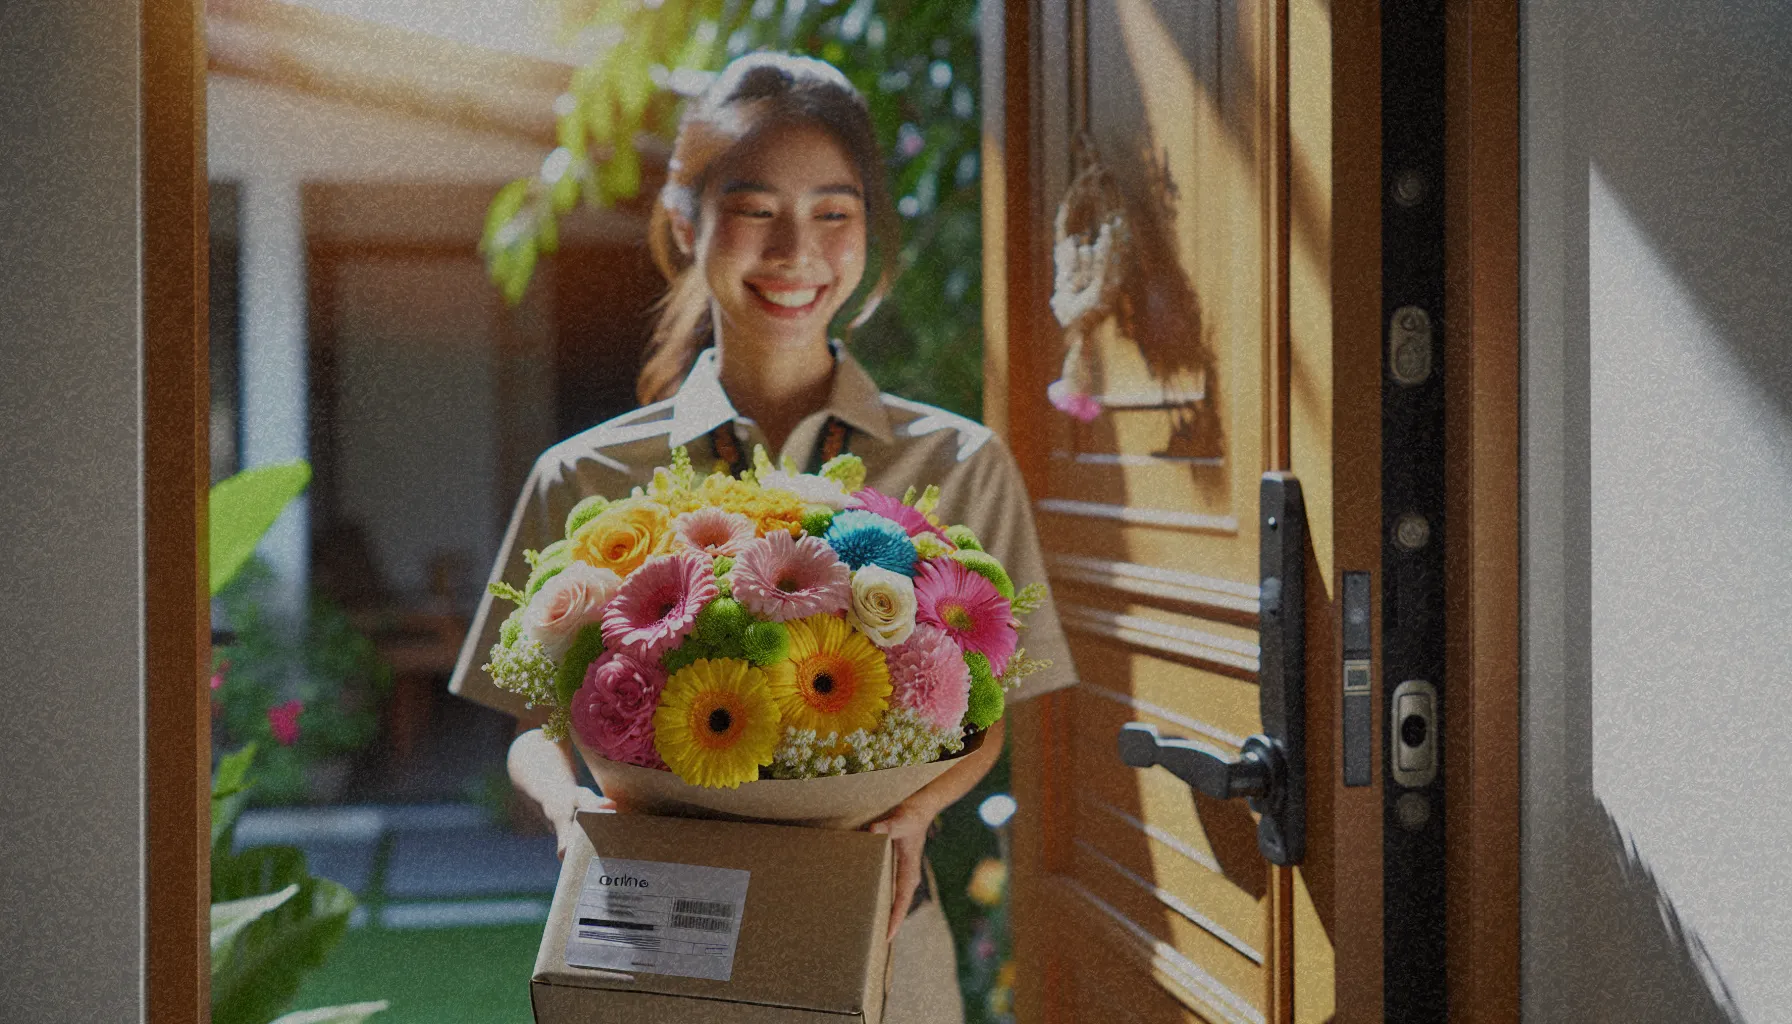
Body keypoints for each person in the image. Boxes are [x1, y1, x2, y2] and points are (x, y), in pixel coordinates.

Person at [448, 51, 1076, 1024]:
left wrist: (911, 814)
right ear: (684, 220)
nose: (797, 251)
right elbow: (528, 727)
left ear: (868, 231)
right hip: (655, 939)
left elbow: (988, 716)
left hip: (877, 939)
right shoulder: (583, 480)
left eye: (833, 212)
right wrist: (572, 811)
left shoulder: (960, 465)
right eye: (755, 210)